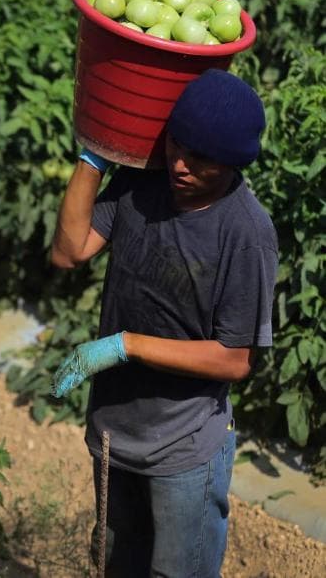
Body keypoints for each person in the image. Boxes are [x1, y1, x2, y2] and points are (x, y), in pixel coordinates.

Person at [49, 69, 278, 576]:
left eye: (201, 159)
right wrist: (94, 157)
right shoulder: (139, 185)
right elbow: (68, 252)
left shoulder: (246, 232)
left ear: (233, 164)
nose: (179, 165)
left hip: (184, 447)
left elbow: (235, 359)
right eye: (176, 145)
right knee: (116, 565)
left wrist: (126, 345)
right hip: (114, 430)